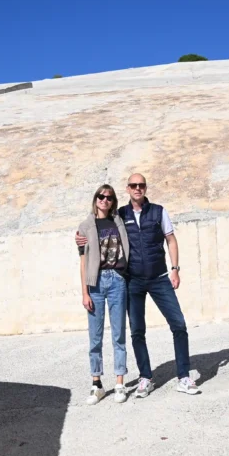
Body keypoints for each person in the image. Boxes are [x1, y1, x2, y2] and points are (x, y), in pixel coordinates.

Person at [76, 173, 199, 397]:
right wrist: (80, 238)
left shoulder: (158, 211)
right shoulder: (121, 214)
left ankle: (184, 376)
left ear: (145, 188)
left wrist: (175, 269)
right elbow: (92, 229)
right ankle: (145, 377)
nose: (137, 188)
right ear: (128, 188)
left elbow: (171, 239)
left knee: (178, 324)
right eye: (133, 185)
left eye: (141, 185)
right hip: (133, 281)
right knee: (137, 331)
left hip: (160, 277)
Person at [78, 184, 131, 405]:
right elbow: (82, 263)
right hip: (96, 283)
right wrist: (85, 293)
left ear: (113, 201)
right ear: (95, 199)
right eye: (101, 196)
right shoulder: (85, 226)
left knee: (118, 335)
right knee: (95, 338)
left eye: (109, 197)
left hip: (117, 280)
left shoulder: (119, 221)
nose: (104, 200)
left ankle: (119, 383)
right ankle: (97, 384)